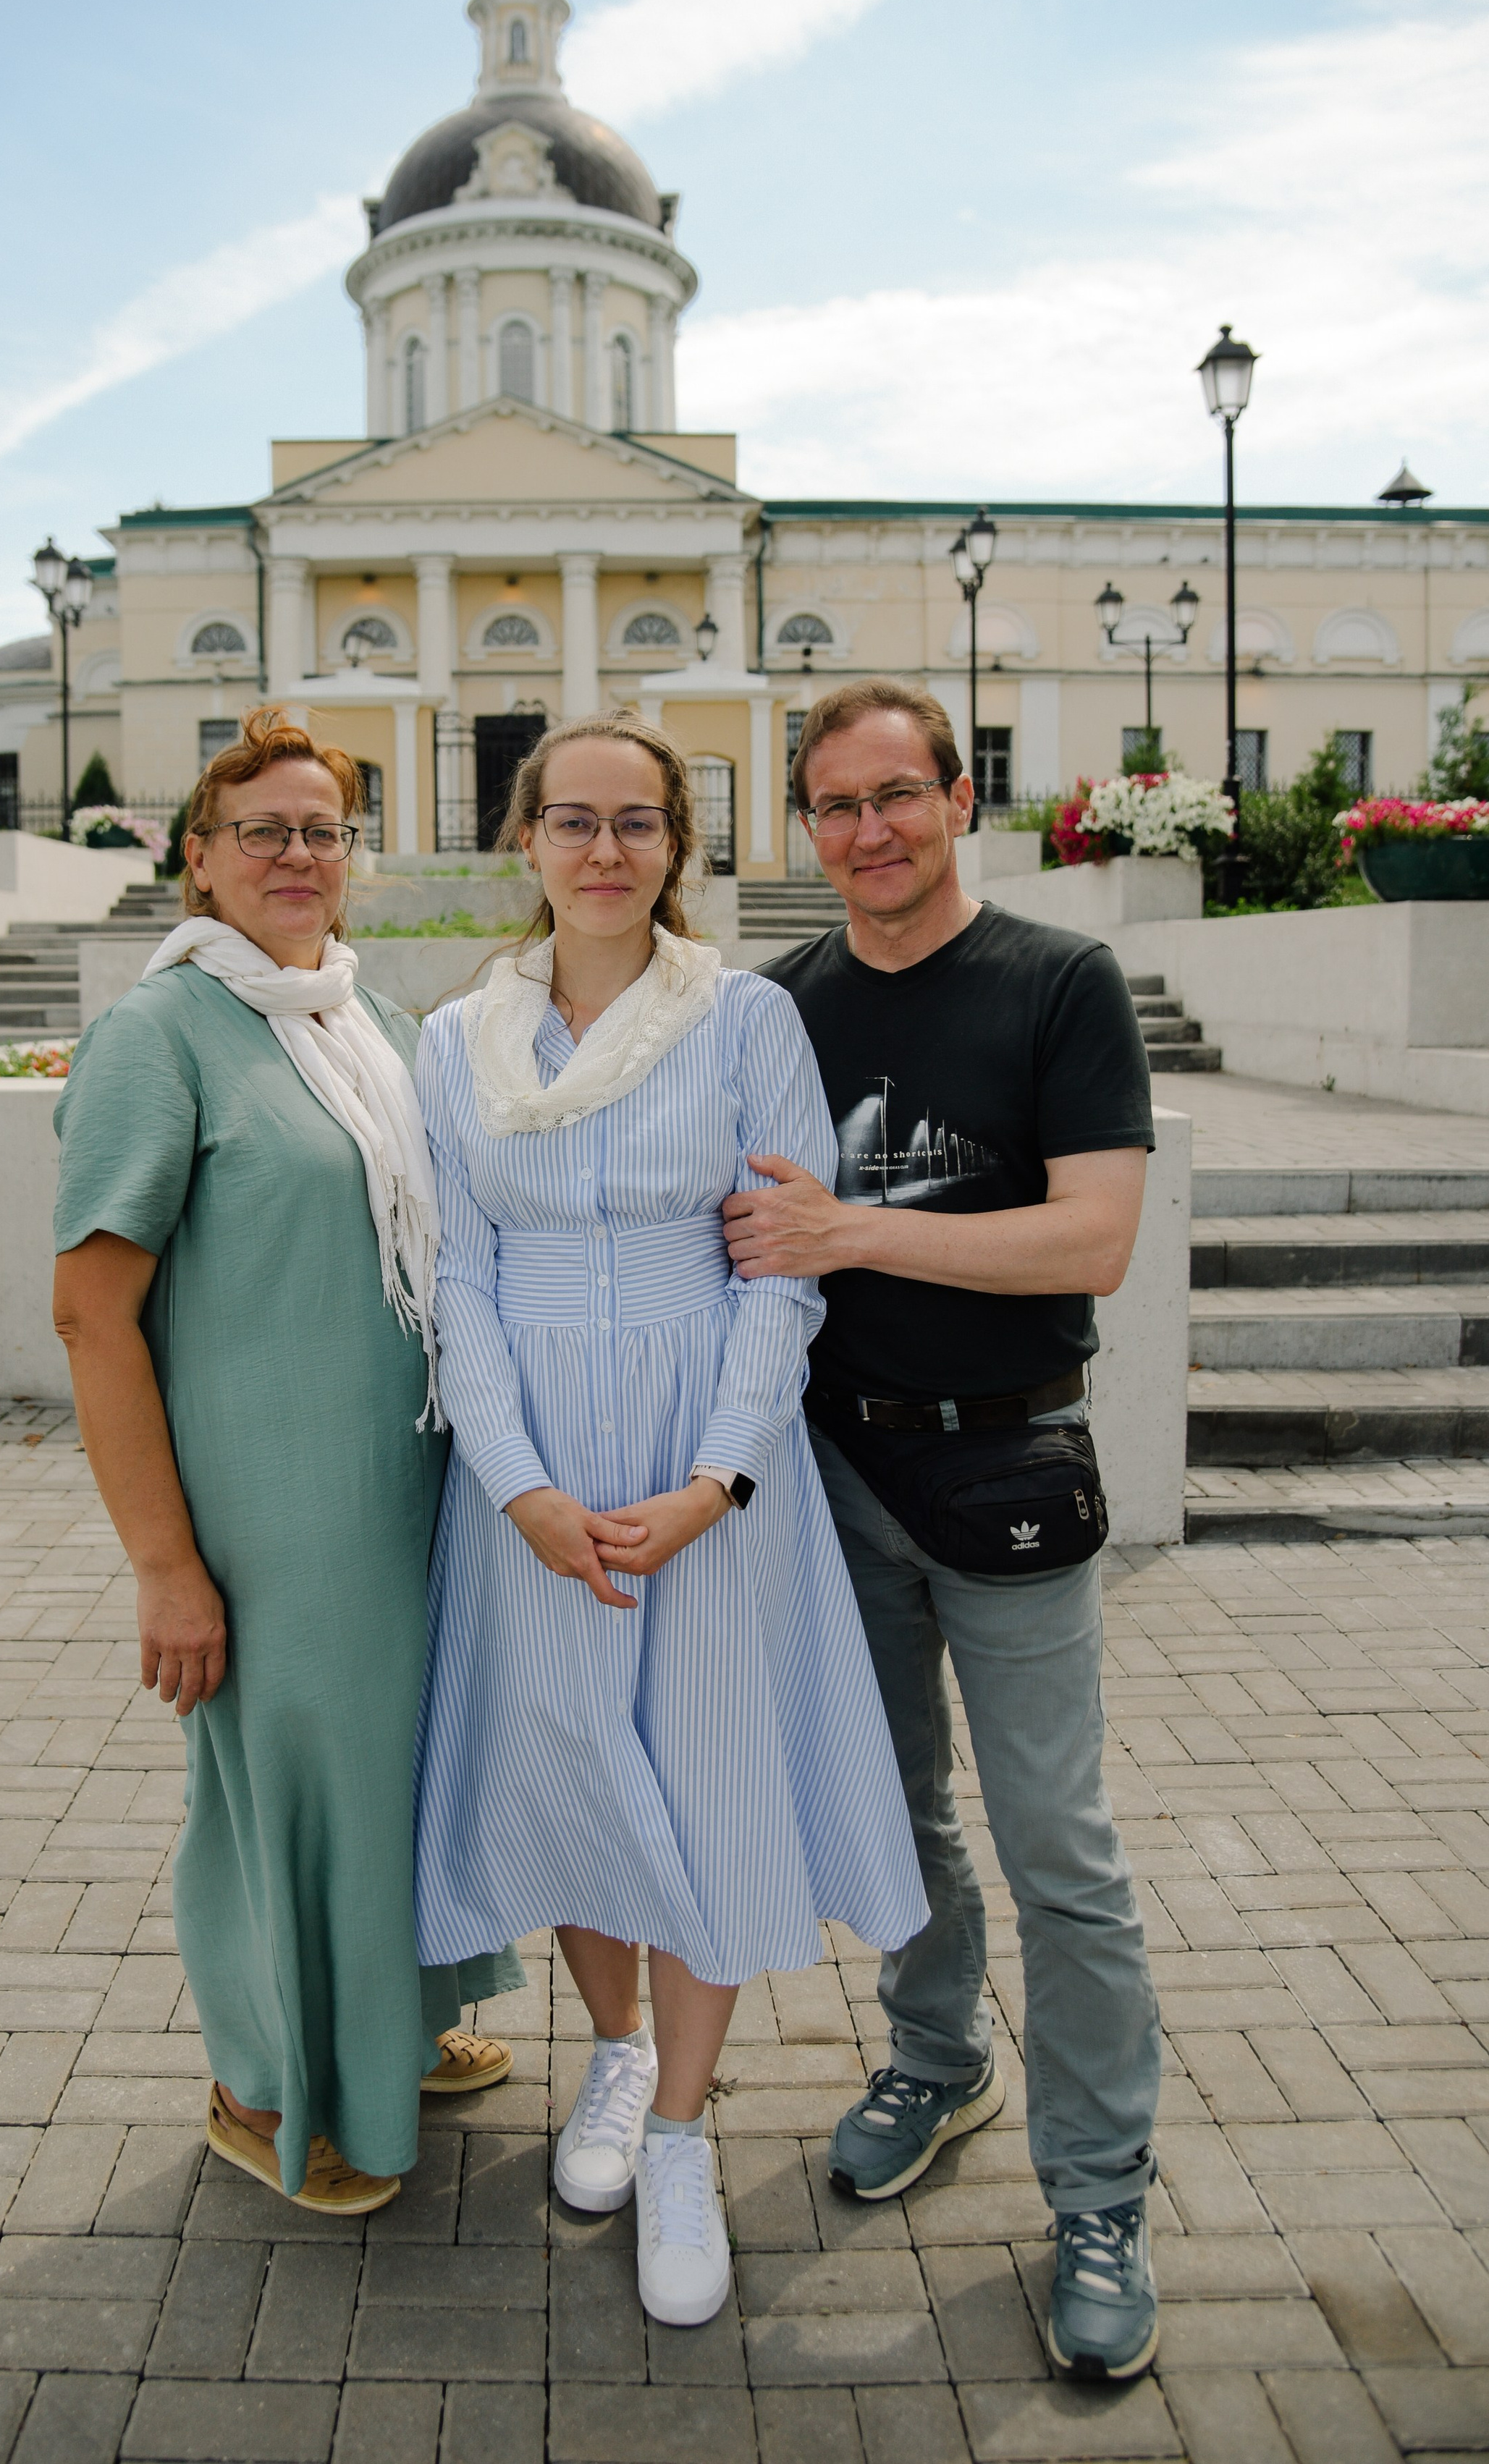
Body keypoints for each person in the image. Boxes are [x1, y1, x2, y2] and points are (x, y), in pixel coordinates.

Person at [412, 713, 928, 2329]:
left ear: (678, 850)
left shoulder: (743, 1018)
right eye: (573, 820)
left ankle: (688, 2133)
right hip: (536, 1454)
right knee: (566, 1757)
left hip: (707, 1449)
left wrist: (718, 1478)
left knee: (702, 1774)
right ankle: (617, 2055)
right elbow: (459, 1284)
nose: (603, 850)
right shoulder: (454, 1040)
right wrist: (516, 1487)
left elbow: (781, 1263)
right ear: (526, 839)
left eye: (638, 823)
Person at [724, 675, 1163, 2383]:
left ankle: (1100, 2189)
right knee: (890, 1816)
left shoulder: (1056, 982)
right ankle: (933, 2054)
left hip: (1008, 1478)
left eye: (893, 795)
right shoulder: (781, 1006)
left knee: (1060, 1847)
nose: (866, 832)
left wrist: (853, 1234)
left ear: (956, 793)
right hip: (836, 1480)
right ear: (805, 825)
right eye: (831, 806)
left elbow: (1089, 1240)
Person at [51, 708, 523, 2217]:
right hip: (271, 1509)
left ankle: (393, 2023)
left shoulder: (368, 1028)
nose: (298, 855)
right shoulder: (159, 1033)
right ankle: (265, 2088)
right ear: (198, 858)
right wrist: (163, 1563)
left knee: (393, 1772)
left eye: (323, 828)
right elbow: (89, 1311)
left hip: (404, 1491)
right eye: (262, 829)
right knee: (280, 1795)